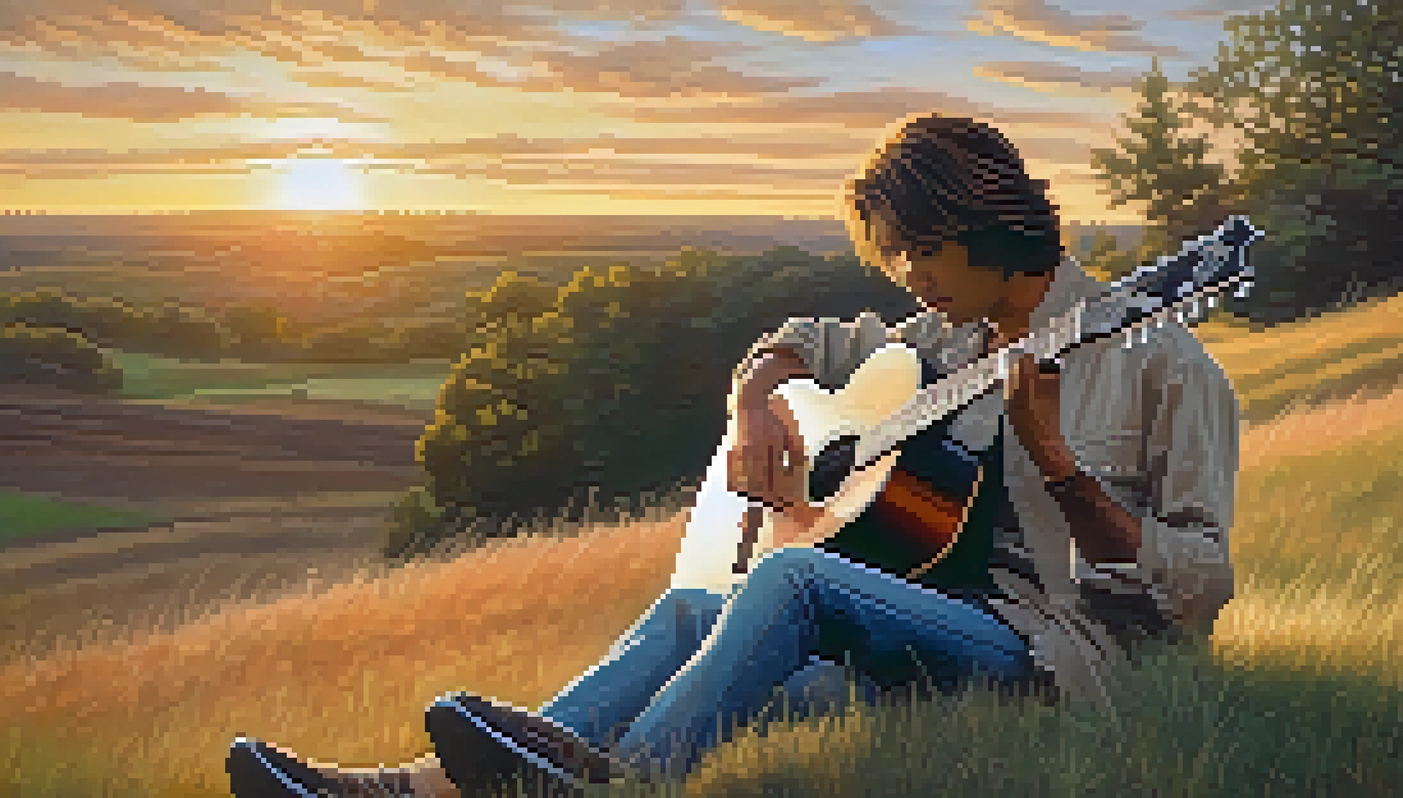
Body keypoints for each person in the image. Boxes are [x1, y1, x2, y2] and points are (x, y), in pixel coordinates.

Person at [226, 113, 1238, 797]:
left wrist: (1058, 464)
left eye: (921, 251)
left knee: (795, 576)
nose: (908, 277)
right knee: (687, 612)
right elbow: (810, 338)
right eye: (895, 257)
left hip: (1056, 655)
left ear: (987, 222)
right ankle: (414, 789)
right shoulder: (948, 338)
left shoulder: (1165, 367)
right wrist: (756, 401)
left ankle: (620, 783)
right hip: (915, 638)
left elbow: (1196, 589)